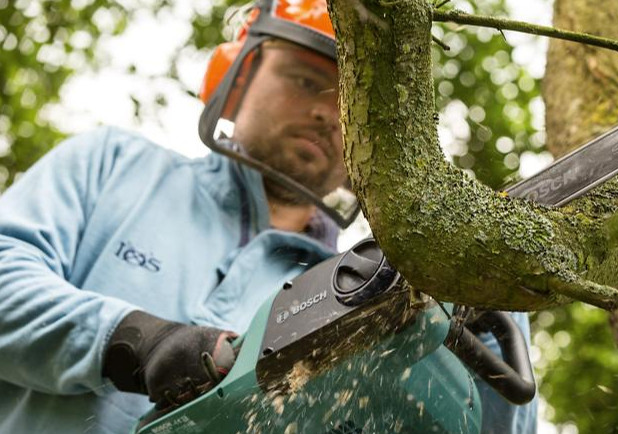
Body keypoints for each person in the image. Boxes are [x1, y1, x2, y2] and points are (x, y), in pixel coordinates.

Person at [0, 0, 537, 432]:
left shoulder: (358, 298)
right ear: (236, 75)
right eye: (305, 81)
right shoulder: (115, 166)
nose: (327, 113)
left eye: (351, 103)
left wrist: (490, 317)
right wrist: (135, 340)